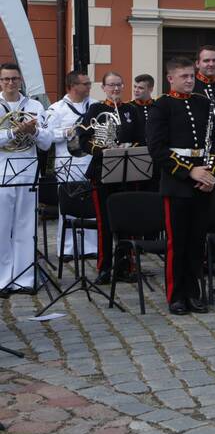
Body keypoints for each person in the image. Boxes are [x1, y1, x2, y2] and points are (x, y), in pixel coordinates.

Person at [147, 57, 215, 315]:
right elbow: (157, 149)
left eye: (192, 76)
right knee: (177, 243)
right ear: (171, 78)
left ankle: (194, 292)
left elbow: (214, 143)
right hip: (177, 183)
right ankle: (176, 295)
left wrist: (208, 174)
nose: (190, 80)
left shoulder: (204, 103)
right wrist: (191, 171)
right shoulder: (161, 106)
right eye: (184, 77)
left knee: (196, 242)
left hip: (203, 184)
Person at [76, 72, 140, 284]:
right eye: (111, 85)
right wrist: (101, 149)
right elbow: (83, 140)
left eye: (119, 85)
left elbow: (142, 137)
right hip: (101, 171)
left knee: (128, 221)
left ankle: (126, 266)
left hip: (128, 172)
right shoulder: (95, 109)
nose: (115, 89)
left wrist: (130, 148)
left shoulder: (131, 109)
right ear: (103, 88)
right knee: (104, 221)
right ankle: (104, 268)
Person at [0, 64, 51, 295]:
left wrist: (35, 132)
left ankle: (24, 279)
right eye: (6, 79)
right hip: (2, 172)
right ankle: (3, 279)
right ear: (0, 82)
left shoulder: (34, 106)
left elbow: (47, 142)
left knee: (26, 226)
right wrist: (13, 133)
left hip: (29, 171)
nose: (11, 83)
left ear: (21, 81)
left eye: (14, 79)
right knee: (2, 228)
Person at [43, 70, 95, 258]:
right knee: (68, 206)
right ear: (73, 86)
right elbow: (46, 136)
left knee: (91, 205)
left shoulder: (95, 105)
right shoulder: (57, 109)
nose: (89, 86)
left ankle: (91, 248)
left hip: (90, 161)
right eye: (86, 84)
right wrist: (67, 132)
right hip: (68, 162)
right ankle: (67, 248)